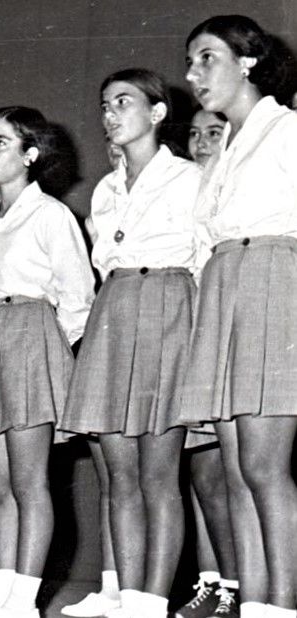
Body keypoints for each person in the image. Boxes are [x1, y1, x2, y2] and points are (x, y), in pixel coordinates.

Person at [57, 68, 201, 618]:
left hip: (167, 307)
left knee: (158, 473)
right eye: (104, 105)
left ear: (158, 113)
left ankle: (151, 600)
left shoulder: (189, 179)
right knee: (117, 473)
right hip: (113, 312)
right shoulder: (105, 189)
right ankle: (121, 591)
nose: (110, 115)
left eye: (124, 102)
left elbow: (204, 260)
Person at [0, 106, 94, 618]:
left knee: (30, 478)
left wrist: (52, 355)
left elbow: (78, 298)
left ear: (30, 155)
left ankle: (26, 599)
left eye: (0, 143)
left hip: (32, 335)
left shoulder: (52, 215)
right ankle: (5, 593)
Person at [183, 14, 297, 618]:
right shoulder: (223, 150)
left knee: (263, 465)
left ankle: (283, 606)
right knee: (234, 471)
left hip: (274, 280)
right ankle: (255, 605)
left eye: (207, 58)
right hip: (223, 289)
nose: (194, 74)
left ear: (247, 61)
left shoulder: (288, 131)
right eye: (190, 61)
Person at [177, 108, 240, 618]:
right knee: (201, 474)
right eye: (194, 134)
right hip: (193, 337)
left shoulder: (238, 189)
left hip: (231, 333)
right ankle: (214, 581)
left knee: (232, 472)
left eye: (213, 133)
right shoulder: (188, 191)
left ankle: (242, 585)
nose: (201, 143)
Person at [61, 139, 124, 618]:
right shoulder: (103, 196)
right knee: (111, 474)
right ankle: (112, 583)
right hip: (104, 334)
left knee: (145, 474)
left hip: (144, 329)